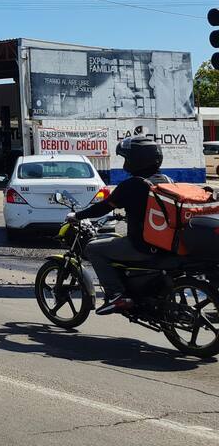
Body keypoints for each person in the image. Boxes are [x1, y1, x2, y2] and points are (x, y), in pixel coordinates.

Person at [68, 135, 166, 315]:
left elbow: (103, 207)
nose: (125, 162)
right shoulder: (166, 180)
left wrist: (77, 215)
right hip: (165, 246)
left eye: (127, 158)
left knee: (94, 249)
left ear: (136, 160)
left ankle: (116, 294)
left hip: (141, 246)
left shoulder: (133, 185)